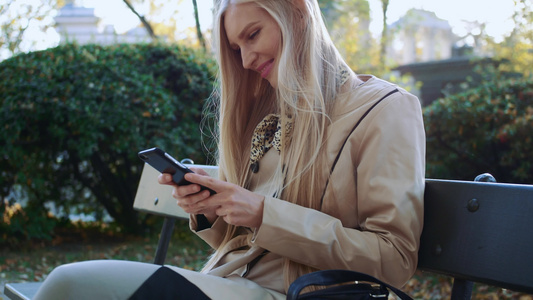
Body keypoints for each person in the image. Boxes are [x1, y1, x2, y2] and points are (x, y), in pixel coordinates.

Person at [33, 0, 425, 299]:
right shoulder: (271, 115)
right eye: (237, 48)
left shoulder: (385, 108)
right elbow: (247, 244)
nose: (247, 59)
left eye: (252, 35)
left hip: (299, 294)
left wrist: (262, 213)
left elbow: (394, 258)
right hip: (231, 283)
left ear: (296, 11)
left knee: (69, 285)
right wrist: (209, 210)